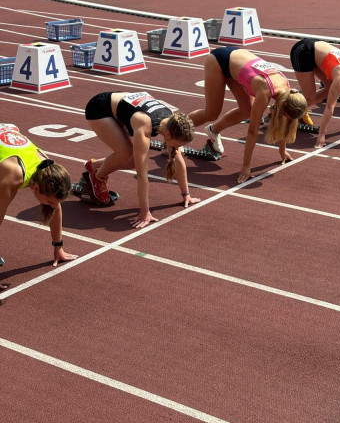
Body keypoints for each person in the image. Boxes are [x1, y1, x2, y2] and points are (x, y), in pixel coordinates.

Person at [188, 48, 307, 183]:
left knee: (246, 110)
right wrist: (246, 167)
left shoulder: (290, 93)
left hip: (238, 61)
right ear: (283, 110)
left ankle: (213, 131)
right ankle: (174, 127)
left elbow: (284, 121)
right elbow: (252, 131)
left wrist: (282, 151)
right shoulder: (265, 92)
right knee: (211, 113)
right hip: (219, 60)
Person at [84, 91, 199, 228]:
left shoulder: (172, 122)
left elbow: (178, 161)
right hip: (100, 108)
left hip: (125, 108)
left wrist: (186, 195)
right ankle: (98, 177)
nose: (178, 148)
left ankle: (94, 165)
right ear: (167, 134)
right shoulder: (145, 125)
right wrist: (145, 212)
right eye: (177, 144)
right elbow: (142, 174)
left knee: (131, 160)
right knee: (127, 155)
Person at [0, 123, 77, 289]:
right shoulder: (14, 175)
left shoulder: (49, 167)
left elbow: (55, 207)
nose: (53, 205)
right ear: (35, 188)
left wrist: (59, 248)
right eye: (49, 201)